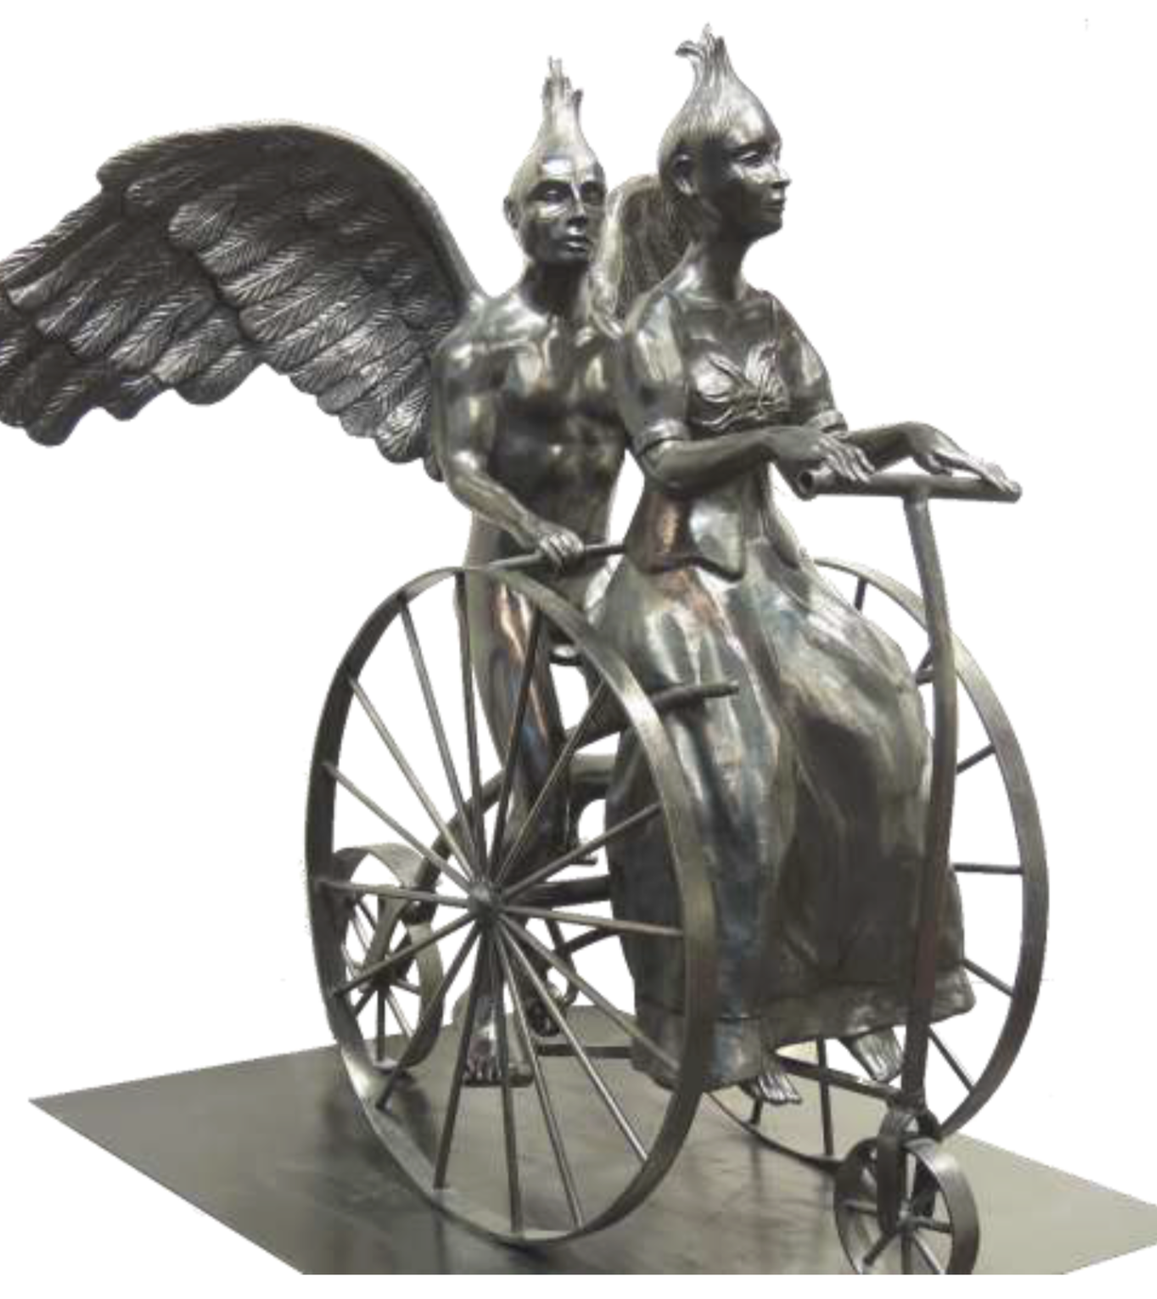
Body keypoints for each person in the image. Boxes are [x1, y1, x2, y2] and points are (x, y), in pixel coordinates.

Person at [600, 28, 1009, 1102]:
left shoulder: (771, 321)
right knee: (745, 779)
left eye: (774, 152)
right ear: (693, 182)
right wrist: (765, 440)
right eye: (753, 156)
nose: (779, 174)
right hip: (675, 579)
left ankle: (863, 992)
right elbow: (664, 461)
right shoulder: (651, 327)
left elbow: (819, 453)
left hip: (768, 577)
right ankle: (718, 1024)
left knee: (883, 728)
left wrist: (906, 434)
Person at [432, 62, 625, 1083]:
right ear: (514, 216)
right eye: (554, 195)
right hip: (508, 586)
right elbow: (457, 465)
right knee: (540, 792)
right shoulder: (481, 343)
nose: (578, 211)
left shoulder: (622, 344)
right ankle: (488, 1006)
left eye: (592, 194)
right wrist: (527, 523)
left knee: (687, 753)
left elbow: (667, 450)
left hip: (600, 584)